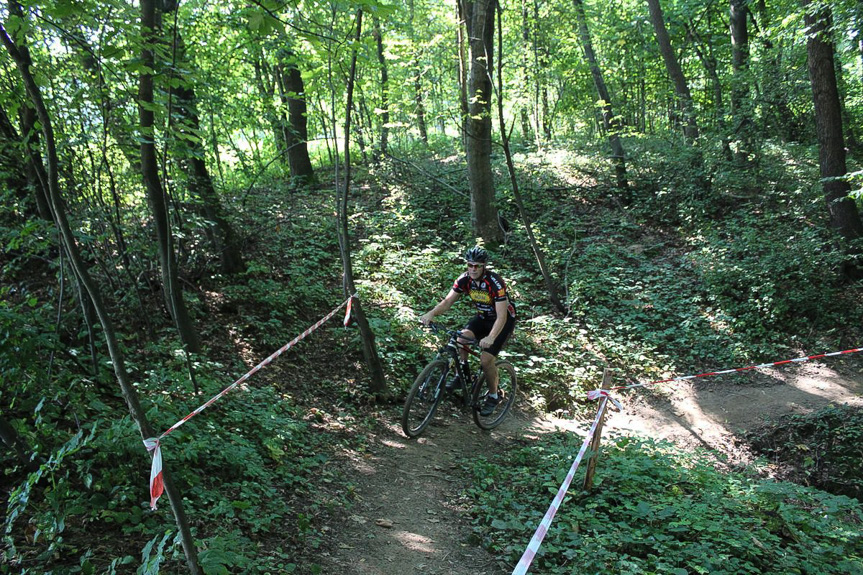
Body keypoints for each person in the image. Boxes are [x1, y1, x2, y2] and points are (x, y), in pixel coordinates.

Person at [420, 246, 516, 416]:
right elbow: (447, 302)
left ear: (484, 266)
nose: (473, 269)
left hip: (502, 321)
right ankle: (462, 375)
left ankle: (494, 396)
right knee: (461, 339)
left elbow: (501, 316)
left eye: (477, 266)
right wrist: (431, 313)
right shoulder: (464, 279)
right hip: (483, 317)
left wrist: (491, 337)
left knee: (486, 360)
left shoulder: (495, 282)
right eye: (470, 265)